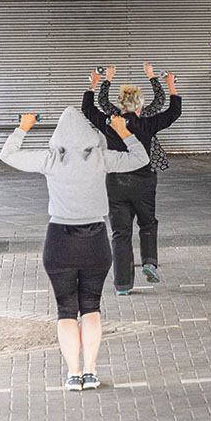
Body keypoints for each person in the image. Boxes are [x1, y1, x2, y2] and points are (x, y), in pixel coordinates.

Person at [0, 109, 148, 390]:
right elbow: (141, 158)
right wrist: (123, 131)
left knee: (66, 311)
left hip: (59, 242)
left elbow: (8, 154)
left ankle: (73, 373)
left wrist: (24, 127)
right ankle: (90, 372)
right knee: (91, 307)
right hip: (95, 241)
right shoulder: (101, 158)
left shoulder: (50, 159)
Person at [83, 67, 181, 296]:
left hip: (116, 183)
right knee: (147, 224)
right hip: (144, 182)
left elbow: (88, 109)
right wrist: (171, 84)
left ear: (120, 105)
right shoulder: (147, 124)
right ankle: (149, 262)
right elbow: (173, 112)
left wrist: (94, 82)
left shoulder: (109, 122)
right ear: (139, 108)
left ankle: (123, 285)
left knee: (120, 233)